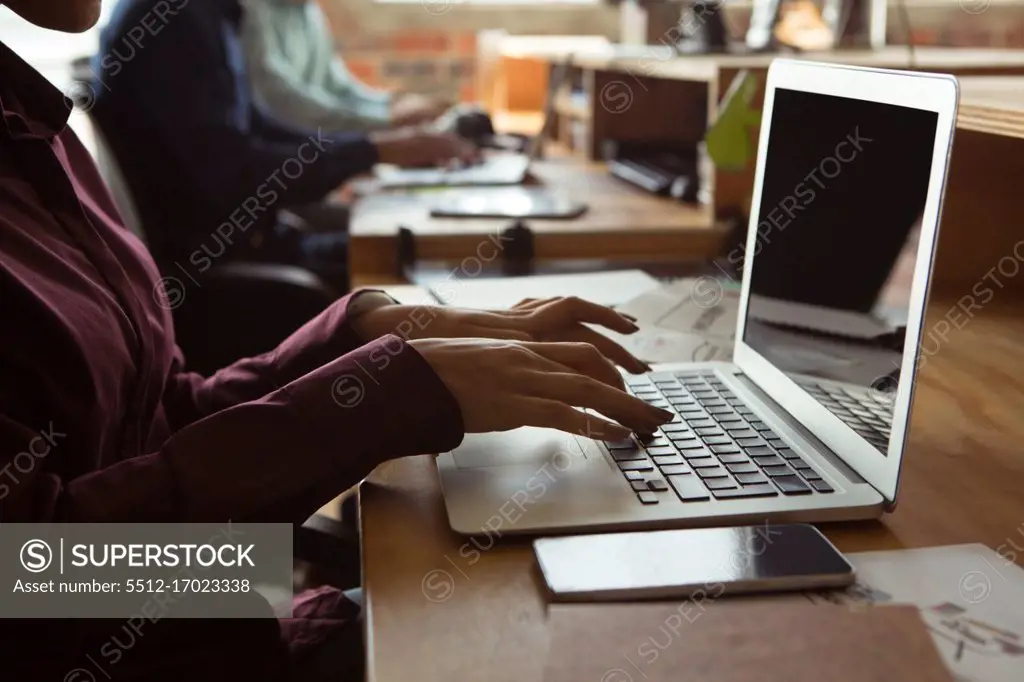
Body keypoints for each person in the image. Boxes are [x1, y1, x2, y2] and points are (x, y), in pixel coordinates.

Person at [0, 1, 671, 678]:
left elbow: (158, 417)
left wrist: (355, 337)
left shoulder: (29, 122)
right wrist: (374, 404)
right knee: (555, 630)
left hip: (225, 621)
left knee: (526, 575)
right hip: (179, 648)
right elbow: (32, 582)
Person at [87, 0, 472, 285]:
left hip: (256, 241)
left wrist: (376, 146)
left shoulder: (206, 13)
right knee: (414, 270)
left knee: (413, 248)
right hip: (216, 268)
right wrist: (373, 150)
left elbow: (260, 128)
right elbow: (233, 174)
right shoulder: (172, 21)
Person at [240, 0, 450, 132]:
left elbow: (340, 88)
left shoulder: (309, 11)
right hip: (277, 157)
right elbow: (282, 102)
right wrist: (385, 122)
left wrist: (392, 104)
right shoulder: (250, 11)